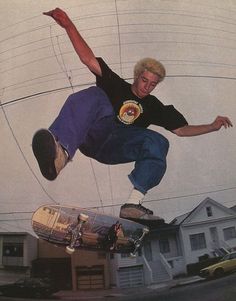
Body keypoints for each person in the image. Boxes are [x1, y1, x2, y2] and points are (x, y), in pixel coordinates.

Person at [32, 8, 232, 223]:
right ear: (137, 76)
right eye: (145, 81)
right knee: (96, 96)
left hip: (117, 146)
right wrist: (69, 26)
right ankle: (60, 153)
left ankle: (133, 203)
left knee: (158, 141)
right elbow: (88, 59)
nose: (147, 87)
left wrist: (212, 126)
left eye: (153, 84)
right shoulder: (116, 84)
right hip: (95, 135)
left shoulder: (154, 106)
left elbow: (181, 130)